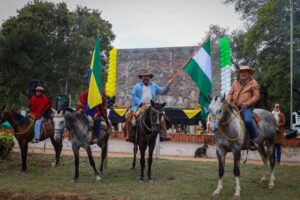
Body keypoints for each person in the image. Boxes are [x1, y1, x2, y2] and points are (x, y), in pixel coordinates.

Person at [124, 70, 171, 142]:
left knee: (162, 116)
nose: (145, 78)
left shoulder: (154, 85)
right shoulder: (137, 86)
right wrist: (140, 102)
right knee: (131, 116)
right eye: (144, 76)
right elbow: (133, 95)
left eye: (147, 76)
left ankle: (163, 134)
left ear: (149, 77)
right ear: (142, 78)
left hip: (152, 106)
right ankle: (130, 135)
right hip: (140, 106)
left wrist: (168, 86)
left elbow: (162, 91)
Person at [226, 66, 260, 149]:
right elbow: (230, 94)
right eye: (242, 72)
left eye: (246, 72)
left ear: (249, 73)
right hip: (234, 106)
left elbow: (256, 96)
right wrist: (228, 102)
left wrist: (246, 103)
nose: (243, 73)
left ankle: (254, 139)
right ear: (239, 73)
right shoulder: (235, 82)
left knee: (248, 121)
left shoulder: (254, 83)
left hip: (246, 107)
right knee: (223, 118)